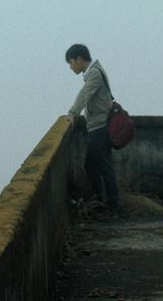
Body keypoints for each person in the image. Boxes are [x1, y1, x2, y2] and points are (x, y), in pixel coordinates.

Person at [64, 43, 120, 214]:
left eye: (71, 62)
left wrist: (72, 112)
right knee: (94, 166)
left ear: (80, 59)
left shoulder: (94, 73)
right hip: (97, 127)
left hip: (100, 127)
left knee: (103, 168)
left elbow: (84, 94)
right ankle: (103, 203)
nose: (71, 66)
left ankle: (111, 207)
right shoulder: (94, 71)